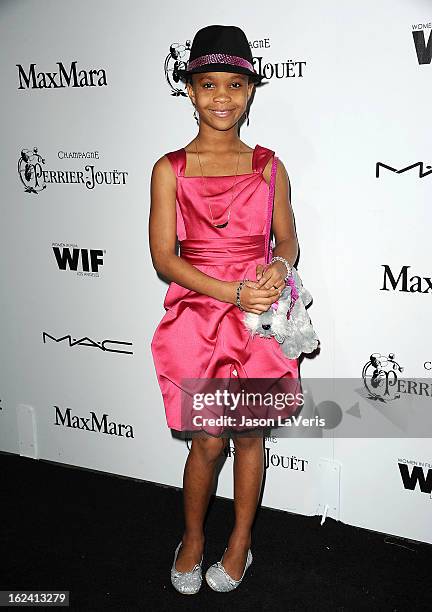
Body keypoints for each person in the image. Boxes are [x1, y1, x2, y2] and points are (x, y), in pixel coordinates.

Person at [149, 24, 299, 594]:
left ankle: (240, 543)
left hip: (261, 317)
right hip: (198, 314)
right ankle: (192, 537)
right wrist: (230, 291)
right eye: (209, 84)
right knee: (208, 440)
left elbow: (286, 241)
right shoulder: (171, 168)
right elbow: (165, 258)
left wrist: (276, 269)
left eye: (234, 85)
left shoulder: (267, 166)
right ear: (190, 90)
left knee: (250, 438)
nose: (221, 97)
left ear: (250, 92)